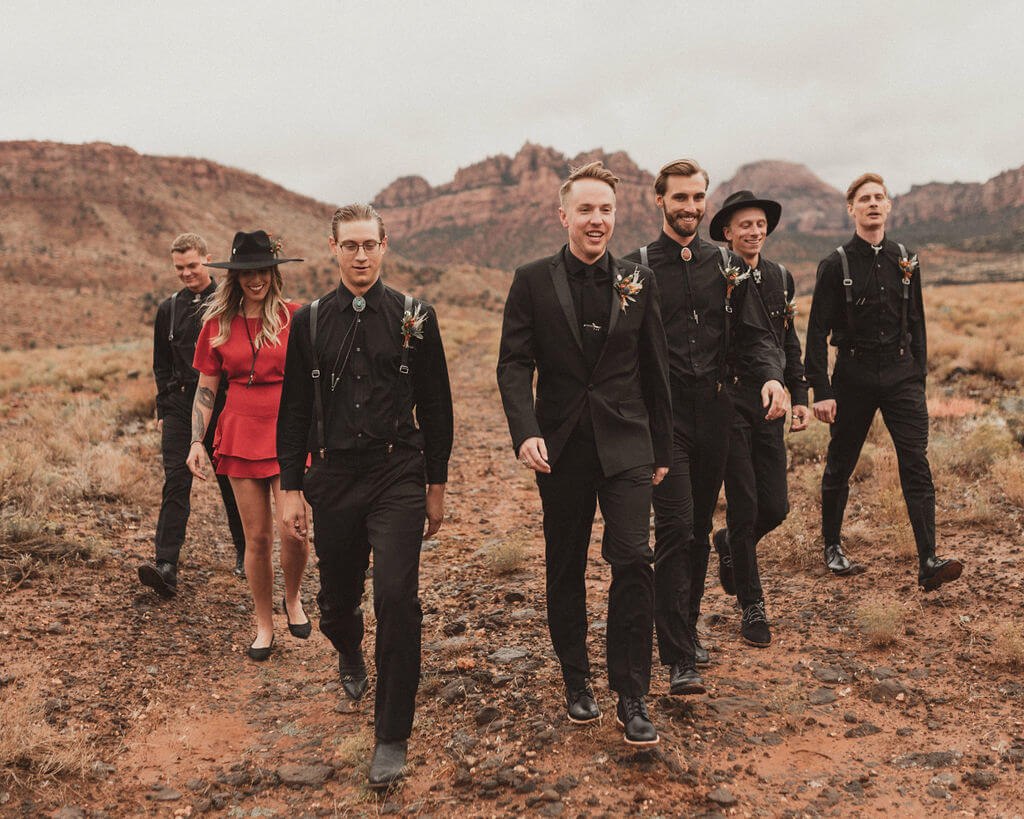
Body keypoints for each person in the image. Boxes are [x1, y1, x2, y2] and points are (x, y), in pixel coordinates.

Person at [276, 203, 453, 789]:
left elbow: (437, 405)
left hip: (396, 473)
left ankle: (391, 735)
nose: (359, 255)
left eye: (368, 245)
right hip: (332, 478)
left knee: (397, 597)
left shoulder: (414, 315)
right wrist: (291, 488)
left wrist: (436, 485)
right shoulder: (309, 321)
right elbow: (295, 409)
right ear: (333, 248)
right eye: (348, 245)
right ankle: (349, 653)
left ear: (384, 245)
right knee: (335, 604)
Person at [497, 162, 672, 747]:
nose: (597, 220)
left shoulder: (638, 280)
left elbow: (654, 368)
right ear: (564, 215)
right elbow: (514, 363)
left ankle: (633, 695)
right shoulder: (531, 280)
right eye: (587, 210)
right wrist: (524, 430)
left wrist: (662, 448)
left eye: (606, 210)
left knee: (633, 560)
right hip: (561, 446)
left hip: (627, 444)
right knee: (565, 562)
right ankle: (577, 680)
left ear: (616, 216)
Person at [624, 160, 786, 696]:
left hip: (716, 410)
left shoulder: (726, 265)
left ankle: (685, 629)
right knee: (673, 528)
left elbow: (756, 335)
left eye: (698, 198)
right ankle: (677, 658)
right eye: (680, 198)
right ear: (659, 200)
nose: (690, 207)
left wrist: (770, 378)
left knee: (696, 530)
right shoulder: (637, 267)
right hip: (663, 418)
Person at [804, 173, 963, 590]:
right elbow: (816, 331)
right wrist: (821, 391)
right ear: (851, 209)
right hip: (853, 376)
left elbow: (919, 324)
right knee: (841, 462)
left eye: (879, 197)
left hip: (902, 376)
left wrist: (920, 377)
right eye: (864, 199)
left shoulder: (906, 258)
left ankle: (928, 559)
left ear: (889, 206)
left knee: (916, 463)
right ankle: (832, 546)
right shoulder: (834, 264)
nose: (873, 204)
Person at [186, 230, 311, 660]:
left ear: (273, 274)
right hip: (239, 432)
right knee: (256, 539)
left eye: (262, 271)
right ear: (234, 278)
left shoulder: (297, 317)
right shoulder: (217, 324)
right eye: (246, 273)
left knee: (292, 532)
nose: (255, 280)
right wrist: (196, 441)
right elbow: (206, 386)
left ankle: (292, 598)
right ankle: (263, 624)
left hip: (288, 433)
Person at [707, 191, 810, 647]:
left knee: (776, 507)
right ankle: (752, 605)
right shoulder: (715, 275)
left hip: (771, 399)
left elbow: (787, 341)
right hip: (728, 399)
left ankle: (729, 543)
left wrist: (800, 393)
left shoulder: (780, 277)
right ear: (727, 232)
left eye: (760, 224)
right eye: (744, 225)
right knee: (746, 505)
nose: (754, 231)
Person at [138, 233, 246, 597]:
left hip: (226, 405)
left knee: (232, 482)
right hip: (180, 407)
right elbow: (160, 365)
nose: (186, 274)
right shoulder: (168, 309)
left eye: (192, 266)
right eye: (179, 268)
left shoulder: (231, 302)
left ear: (208, 260)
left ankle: (247, 554)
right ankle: (166, 565)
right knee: (175, 481)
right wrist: (162, 408)